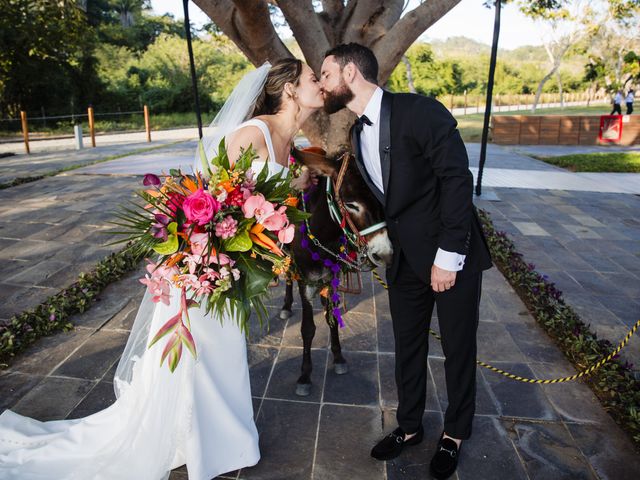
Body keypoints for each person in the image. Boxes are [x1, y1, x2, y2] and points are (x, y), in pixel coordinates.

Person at [0, 59, 323, 479]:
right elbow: (205, 195)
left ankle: (216, 441)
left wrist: (289, 197)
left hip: (234, 266)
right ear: (291, 90)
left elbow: (259, 206)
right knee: (203, 355)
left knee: (221, 354)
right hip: (205, 265)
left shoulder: (290, 141)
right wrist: (204, 260)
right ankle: (208, 444)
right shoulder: (253, 133)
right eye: (313, 77)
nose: (320, 83)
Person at [320, 43, 492, 480]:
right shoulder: (358, 133)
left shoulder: (421, 111)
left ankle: (454, 434)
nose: (322, 84)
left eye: (325, 74)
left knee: (458, 349)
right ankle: (410, 426)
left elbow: (457, 180)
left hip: (452, 256)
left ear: (351, 73)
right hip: (404, 262)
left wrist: (448, 258)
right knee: (407, 347)